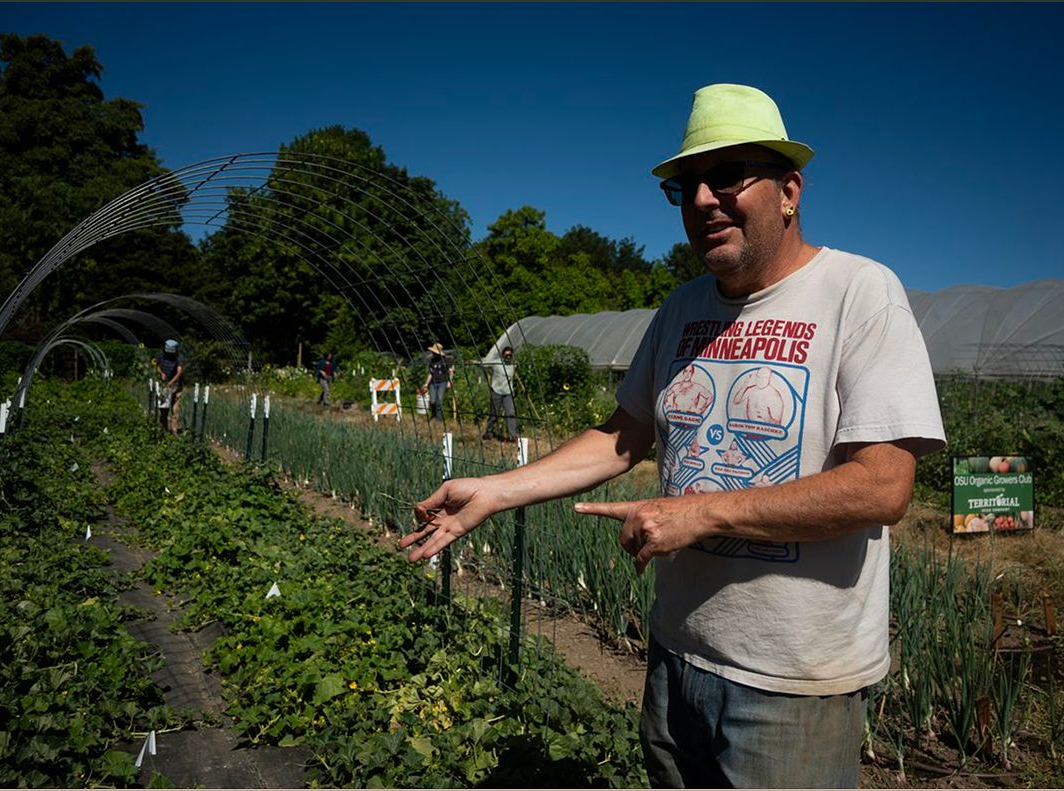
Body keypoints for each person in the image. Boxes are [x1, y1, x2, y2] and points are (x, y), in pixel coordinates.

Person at [400, 83, 945, 788]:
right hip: (675, 657)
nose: (703, 201)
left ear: (789, 190)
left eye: (726, 178)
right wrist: (496, 491)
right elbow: (623, 437)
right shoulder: (681, 309)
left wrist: (703, 511)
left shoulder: (860, 294)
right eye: (687, 187)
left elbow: (882, 484)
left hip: (792, 683)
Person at [481, 346, 518, 442]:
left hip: (508, 392)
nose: (508, 357)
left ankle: (512, 436)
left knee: (510, 413)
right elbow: (484, 364)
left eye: (510, 355)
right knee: (494, 414)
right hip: (496, 390)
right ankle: (489, 432)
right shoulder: (496, 363)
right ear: (503, 355)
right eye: (506, 355)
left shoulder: (513, 365)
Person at [153, 338, 184, 434]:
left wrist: (171, 383)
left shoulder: (178, 357)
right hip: (164, 386)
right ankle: (164, 430)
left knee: (175, 409)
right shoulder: (161, 355)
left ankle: (174, 432)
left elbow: (179, 372)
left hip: (176, 386)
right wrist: (161, 373)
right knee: (163, 409)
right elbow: (157, 365)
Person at [419, 342, 454, 422]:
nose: (433, 353)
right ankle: (433, 416)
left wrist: (450, 381)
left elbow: (450, 371)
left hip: (443, 382)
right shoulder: (432, 361)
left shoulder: (446, 360)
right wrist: (426, 384)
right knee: (432, 401)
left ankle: (439, 419)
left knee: (439, 400)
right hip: (433, 382)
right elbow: (431, 373)